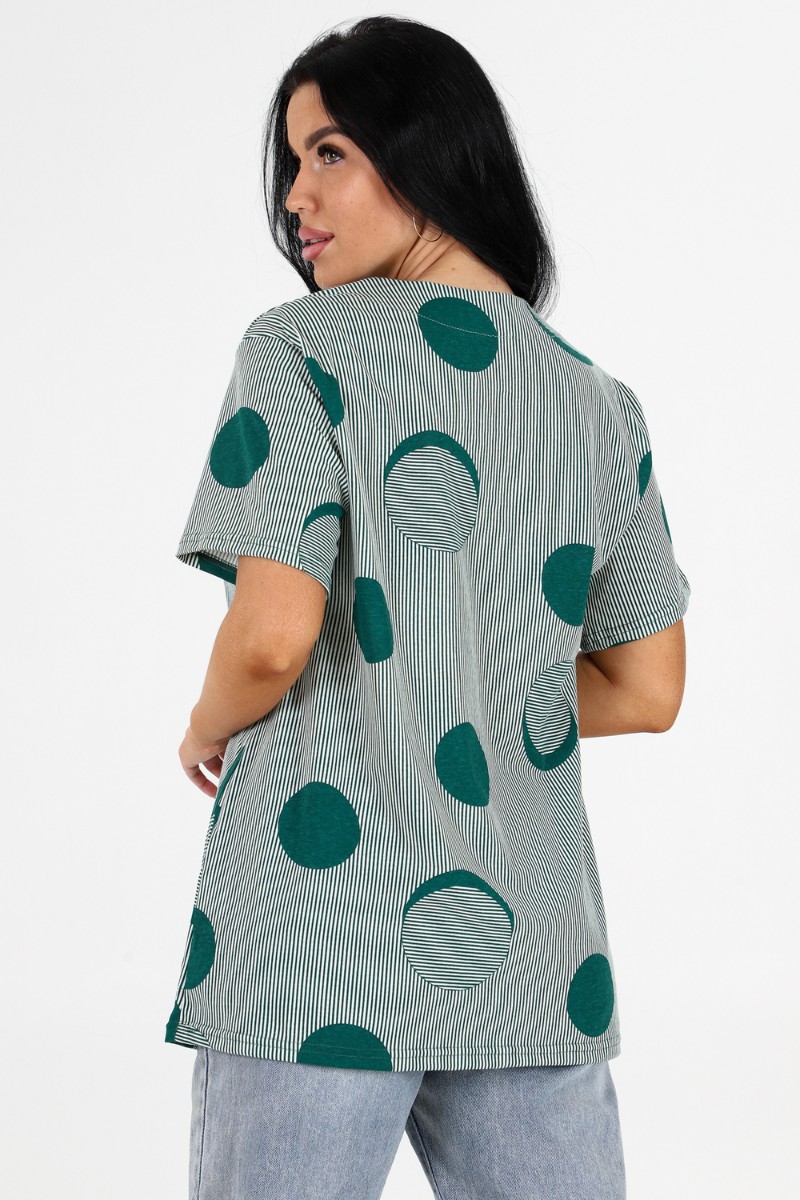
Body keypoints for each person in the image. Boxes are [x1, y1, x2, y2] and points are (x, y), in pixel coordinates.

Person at [165, 15, 689, 1200]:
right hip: (534, 960)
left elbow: (271, 636)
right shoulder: (595, 401)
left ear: (431, 151)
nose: (295, 196)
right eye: (290, 161)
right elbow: (645, 688)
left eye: (329, 152)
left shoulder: (299, 347)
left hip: (318, 948)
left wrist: (204, 722)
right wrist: (475, 680)